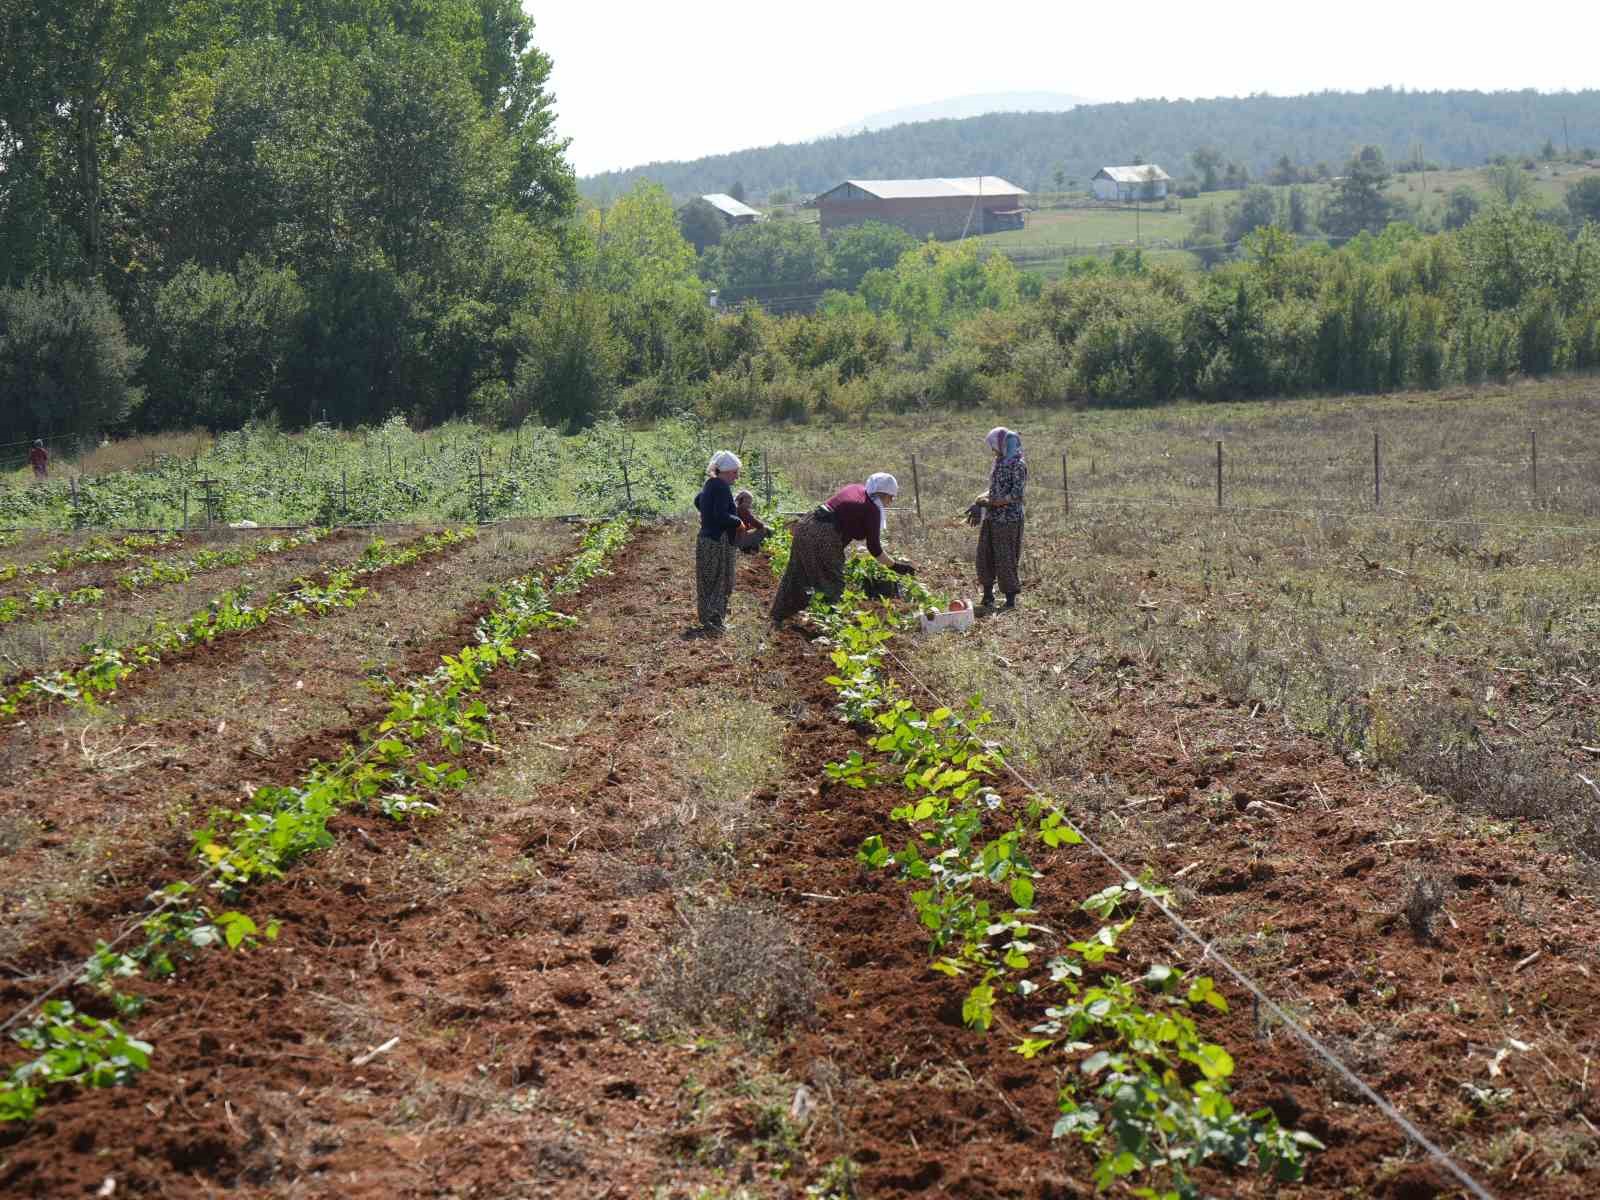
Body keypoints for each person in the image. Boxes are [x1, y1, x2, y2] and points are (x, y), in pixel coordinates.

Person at [771, 472, 914, 626]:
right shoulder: (872, 508)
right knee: (832, 582)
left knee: (797, 572)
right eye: (891, 497)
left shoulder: (857, 489)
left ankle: (778, 617)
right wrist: (895, 566)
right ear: (884, 494)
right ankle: (830, 626)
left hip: (806, 524)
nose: (890, 502)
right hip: (823, 535)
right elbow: (874, 548)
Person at [974, 426, 1027, 609]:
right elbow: (994, 488)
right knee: (984, 555)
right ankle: (988, 596)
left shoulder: (1018, 465)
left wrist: (992, 503)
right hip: (991, 518)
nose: (993, 450)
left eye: (994, 446)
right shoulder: (999, 462)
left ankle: (1010, 599)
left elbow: (1016, 495)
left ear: (1004, 444)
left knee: (1005, 558)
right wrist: (979, 500)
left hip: (1009, 520)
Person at [692, 450, 744, 631]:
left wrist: (706, 515)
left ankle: (709, 619)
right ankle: (715, 621)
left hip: (706, 538)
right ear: (727, 471)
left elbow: (698, 500)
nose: (736, 477)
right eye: (735, 472)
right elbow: (722, 516)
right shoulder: (721, 487)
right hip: (717, 540)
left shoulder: (710, 484)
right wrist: (738, 522)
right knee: (720, 580)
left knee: (709, 580)